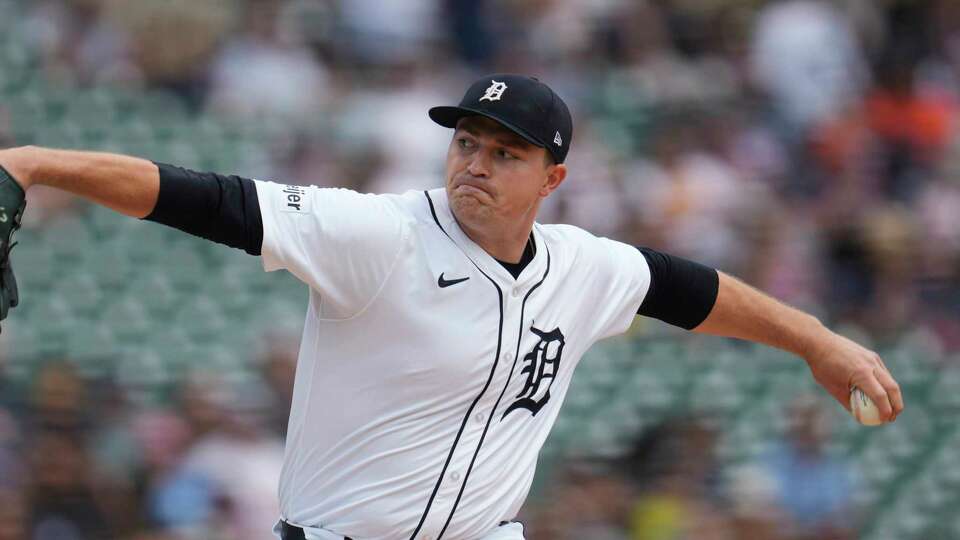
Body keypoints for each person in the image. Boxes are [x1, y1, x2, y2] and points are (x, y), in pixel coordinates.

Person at [0, 74, 903, 540]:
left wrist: (816, 340)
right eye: (467, 142)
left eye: (504, 153)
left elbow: (692, 291)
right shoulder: (377, 233)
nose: (475, 162)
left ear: (552, 177)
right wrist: (37, 162)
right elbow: (204, 197)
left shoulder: (584, 267)